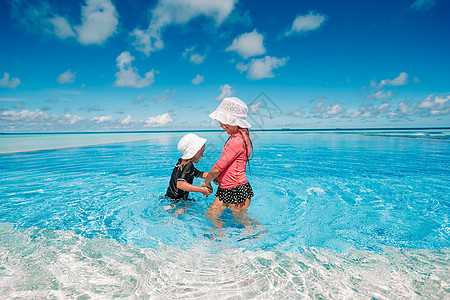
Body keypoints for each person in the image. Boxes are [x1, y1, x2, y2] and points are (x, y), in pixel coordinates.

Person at [202, 97, 254, 228]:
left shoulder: (237, 140)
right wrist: (220, 179)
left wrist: (206, 181)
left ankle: (262, 241)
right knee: (212, 215)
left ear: (234, 121)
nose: (221, 124)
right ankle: (219, 244)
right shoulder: (240, 136)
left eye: (224, 121)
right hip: (228, 188)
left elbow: (218, 167)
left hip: (235, 189)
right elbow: (230, 165)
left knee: (243, 222)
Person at [165, 133, 212, 203]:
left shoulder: (183, 163)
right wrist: (202, 190)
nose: (202, 156)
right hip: (176, 200)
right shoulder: (188, 165)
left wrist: (214, 176)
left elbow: (200, 174)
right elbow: (180, 184)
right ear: (194, 152)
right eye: (201, 153)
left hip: (170, 198)